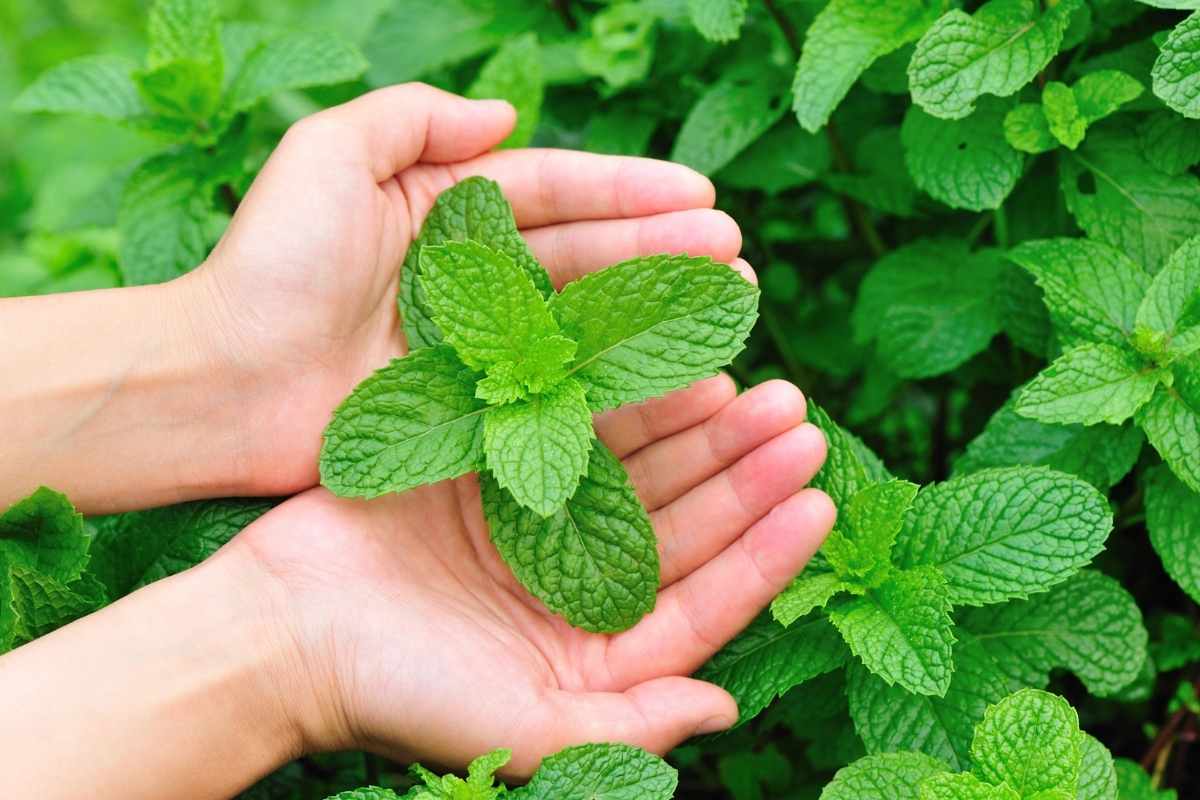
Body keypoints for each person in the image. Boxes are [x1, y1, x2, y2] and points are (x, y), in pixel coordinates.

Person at [0, 84, 834, 799]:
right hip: (507, 394)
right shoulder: (494, 393)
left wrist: (218, 357)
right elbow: (392, 448)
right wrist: (286, 654)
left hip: (524, 394)